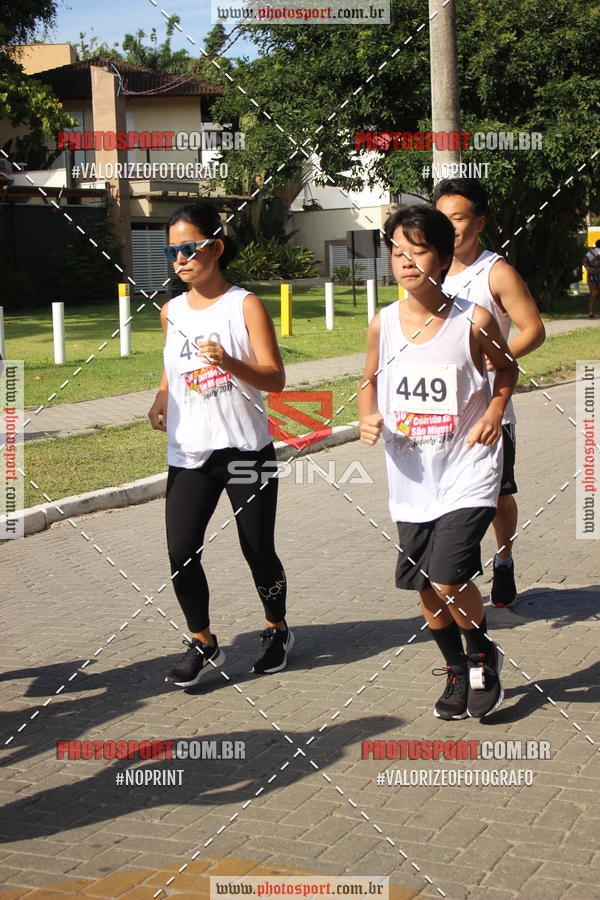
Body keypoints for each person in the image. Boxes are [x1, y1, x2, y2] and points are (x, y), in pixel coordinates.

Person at [359, 205, 517, 720]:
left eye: (418, 249)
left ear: (445, 256)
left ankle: (481, 662)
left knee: (447, 578)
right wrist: (367, 418)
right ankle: (461, 666)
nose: (405, 260)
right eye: (396, 250)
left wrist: (494, 409)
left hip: (468, 468)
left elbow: (505, 368)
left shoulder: (474, 317)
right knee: (425, 589)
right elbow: (369, 382)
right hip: (410, 478)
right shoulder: (382, 323)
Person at [148, 203, 293, 687]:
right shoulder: (171, 312)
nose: (180, 259)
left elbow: (275, 379)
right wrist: (161, 397)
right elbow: (173, 369)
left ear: (216, 247)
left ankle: (276, 630)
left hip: (245, 450)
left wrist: (230, 362)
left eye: (189, 248)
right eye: (172, 252)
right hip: (190, 453)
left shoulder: (244, 304)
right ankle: (204, 641)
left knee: (258, 550)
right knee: (180, 552)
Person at [434, 178, 545, 608]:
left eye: (459, 218)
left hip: (489, 409)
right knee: (444, 494)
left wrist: (488, 362)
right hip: (438, 413)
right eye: (443, 218)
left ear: (478, 221)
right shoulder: (429, 270)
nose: (451, 226)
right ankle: (455, 571)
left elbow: (533, 329)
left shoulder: (495, 271)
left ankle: (503, 559)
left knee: (498, 495)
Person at [582, 239, 600, 318]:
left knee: (593, 294)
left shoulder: (590, 252)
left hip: (592, 274)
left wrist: (588, 269)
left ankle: (591, 312)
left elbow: (584, 261)